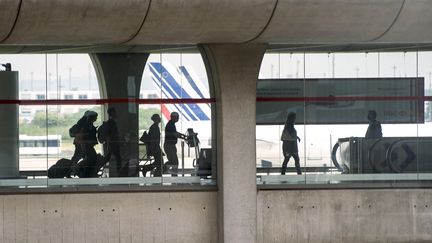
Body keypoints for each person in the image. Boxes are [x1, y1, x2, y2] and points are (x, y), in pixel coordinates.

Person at [163, 112, 186, 176]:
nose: (178, 118)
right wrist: (183, 137)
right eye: (177, 117)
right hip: (169, 145)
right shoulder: (170, 124)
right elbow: (174, 134)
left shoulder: (171, 124)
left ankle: (173, 174)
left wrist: (182, 135)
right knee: (174, 162)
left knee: (173, 161)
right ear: (173, 117)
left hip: (171, 145)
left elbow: (175, 132)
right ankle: (163, 170)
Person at [103, 107, 122, 177]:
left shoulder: (112, 122)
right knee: (118, 158)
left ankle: (98, 166)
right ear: (112, 113)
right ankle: (119, 173)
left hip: (113, 143)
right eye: (115, 112)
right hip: (113, 144)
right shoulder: (111, 123)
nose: (116, 114)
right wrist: (109, 145)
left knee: (108, 158)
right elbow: (109, 135)